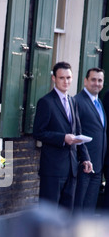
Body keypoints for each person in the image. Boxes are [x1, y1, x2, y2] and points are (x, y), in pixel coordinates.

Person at [33, 62, 93, 210]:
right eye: (62, 78)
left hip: (72, 169)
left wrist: (85, 158)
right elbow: (38, 132)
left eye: (68, 78)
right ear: (54, 78)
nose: (66, 81)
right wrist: (62, 138)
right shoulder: (45, 102)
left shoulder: (73, 101)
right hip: (52, 169)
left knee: (66, 215)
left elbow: (78, 132)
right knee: (50, 215)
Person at [74, 68, 106, 211]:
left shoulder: (99, 103)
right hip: (84, 167)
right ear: (85, 81)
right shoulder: (77, 102)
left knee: (88, 210)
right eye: (93, 79)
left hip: (97, 167)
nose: (96, 83)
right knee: (78, 209)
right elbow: (76, 132)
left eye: (100, 80)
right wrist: (83, 159)